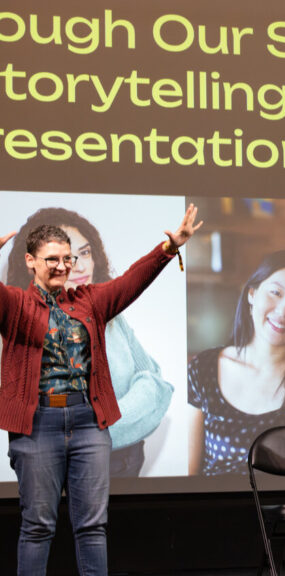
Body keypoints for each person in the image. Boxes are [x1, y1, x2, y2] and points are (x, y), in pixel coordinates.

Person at [0, 204, 201, 576]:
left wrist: (168, 250)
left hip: (89, 423)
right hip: (37, 424)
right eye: (52, 259)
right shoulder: (15, 304)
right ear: (30, 261)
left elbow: (131, 282)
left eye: (68, 258)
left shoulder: (89, 301)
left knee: (92, 528)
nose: (63, 266)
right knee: (38, 526)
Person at [5, 208, 174, 478]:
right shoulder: (19, 317)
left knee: (96, 523)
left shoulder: (112, 318)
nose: (78, 265)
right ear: (33, 263)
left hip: (121, 462)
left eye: (85, 253)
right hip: (59, 460)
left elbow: (156, 385)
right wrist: (95, 425)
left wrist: (97, 428)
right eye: (62, 257)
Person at [187, 250, 285, 476]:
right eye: (275, 292)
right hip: (215, 510)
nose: (284, 310)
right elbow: (188, 478)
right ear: (252, 294)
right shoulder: (203, 369)